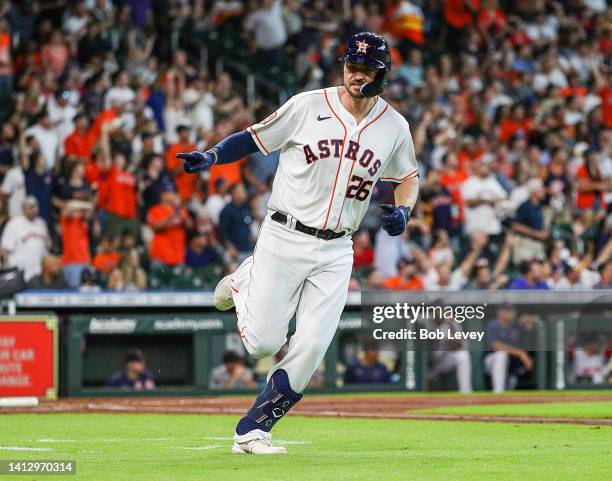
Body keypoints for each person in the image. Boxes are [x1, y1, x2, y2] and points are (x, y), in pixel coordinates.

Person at [177, 32, 419, 454]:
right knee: (263, 344)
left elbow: (407, 178)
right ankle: (242, 281)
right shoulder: (309, 105)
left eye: (366, 69)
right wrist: (214, 156)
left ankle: (252, 429)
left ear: (384, 75)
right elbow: (255, 138)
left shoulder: (395, 125)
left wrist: (404, 211)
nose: (356, 75)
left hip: (337, 249)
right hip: (285, 235)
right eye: (351, 66)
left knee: (311, 347)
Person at [484, 304, 533, 393]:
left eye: (511, 311)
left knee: (509, 389)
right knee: (501, 355)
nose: (508, 314)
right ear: (499, 312)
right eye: (505, 311)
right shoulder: (493, 325)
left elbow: (532, 324)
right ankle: (498, 392)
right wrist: (520, 353)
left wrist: (528, 318)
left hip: (512, 364)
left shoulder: (517, 325)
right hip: (492, 361)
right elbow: (496, 345)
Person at [0, 196, 49, 281]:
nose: (33, 209)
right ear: (23, 209)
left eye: (35, 206)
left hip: (37, 273)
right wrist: (6, 270)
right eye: (29, 207)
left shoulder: (41, 223)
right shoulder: (14, 223)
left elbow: (46, 248)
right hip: (19, 271)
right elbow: (5, 249)